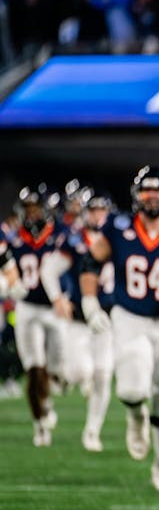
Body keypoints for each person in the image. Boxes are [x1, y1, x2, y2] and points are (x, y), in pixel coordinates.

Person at [80, 164, 159, 492]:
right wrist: (90, 302)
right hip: (131, 316)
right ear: (137, 194)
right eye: (147, 190)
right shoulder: (119, 225)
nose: (152, 196)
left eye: (158, 190)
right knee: (131, 390)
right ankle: (136, 414)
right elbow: (90, 263)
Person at [39, 188, 116, 451]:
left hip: (107, 317)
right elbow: (49, 269)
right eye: (93, 210)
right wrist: (57, 298)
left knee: (103, 375)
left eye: (101, 210)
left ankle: (93, 430)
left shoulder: (118, 239)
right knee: (79, 372)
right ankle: (60, 380)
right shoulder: (74, 239)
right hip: (78, 317)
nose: (97, 215)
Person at [9, 184, 67, 446]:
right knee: (33, 368)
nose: (31, 214)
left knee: (56, 368)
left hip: (54, 308)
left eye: (35, 209)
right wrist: (9, 284)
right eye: (27, 209)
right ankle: (40, 422)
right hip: (27, 307)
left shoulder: (61, 235)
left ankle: (49, 395)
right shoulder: (11, 237)